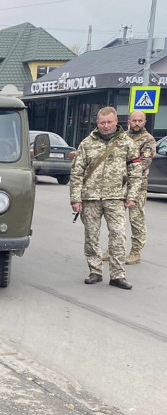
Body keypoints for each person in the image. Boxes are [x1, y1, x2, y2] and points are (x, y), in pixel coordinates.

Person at [69, 106, 142, 290]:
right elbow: (76, 172)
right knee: (91, 237)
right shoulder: (87, 143)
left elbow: (135, 172)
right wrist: (75, 199)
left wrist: (132, 196)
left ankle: (118, 275)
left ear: (117, 122)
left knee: (118, 235)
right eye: (102, 123)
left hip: (116, 197)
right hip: (90, 198)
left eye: (109, 122)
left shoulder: (127, 143)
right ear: (97, 123)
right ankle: (95, 271)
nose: (106, 126)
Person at [125, 111, 156, 263]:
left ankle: (135, 252)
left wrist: (123, 168)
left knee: (136, 220)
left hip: (138, 186)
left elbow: (144, 163)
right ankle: (113, 249)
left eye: (140, 120)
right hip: (119, 185)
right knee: (115, 220)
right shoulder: (122, 137)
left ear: (144, 122)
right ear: (128, 121)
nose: (137, 123)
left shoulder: (148, 140)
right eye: (134, 120)